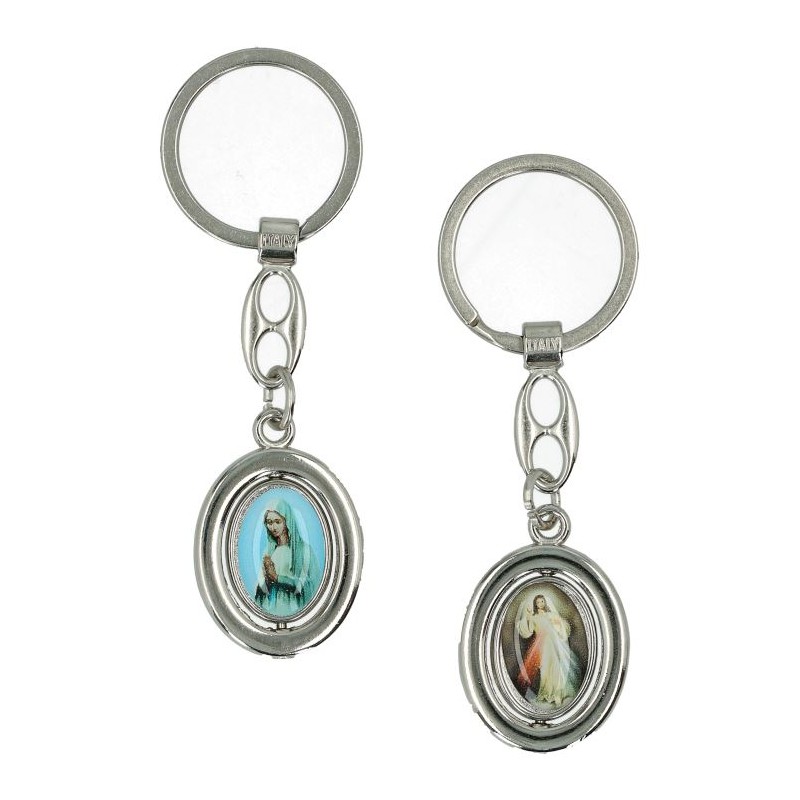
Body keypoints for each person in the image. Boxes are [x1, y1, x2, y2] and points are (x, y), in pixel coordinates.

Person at [253, 496, 321, 616]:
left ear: (287, 520)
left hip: (294, 610)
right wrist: (265, 580)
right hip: (273, 609)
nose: (273, 527)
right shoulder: (268, 552)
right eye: (269, 522)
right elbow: (261, 589)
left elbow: (312, 585)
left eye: (277, 521)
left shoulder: (303, 550)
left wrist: (278, 578)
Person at [515, 593, 580, 706]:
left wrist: (558, 624)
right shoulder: (534, 617)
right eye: (538, 602)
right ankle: (547, 692)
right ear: (535, 604)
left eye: (542, 601)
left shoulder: (551, 614)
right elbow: (529, 630)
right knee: (545, 668)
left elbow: (560, 626)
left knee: (557, 666)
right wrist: (528, 616)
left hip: (554, 643)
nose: (540, 604)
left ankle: (558, 693)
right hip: (542, 645)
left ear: (545, 602)